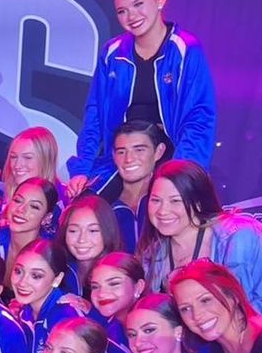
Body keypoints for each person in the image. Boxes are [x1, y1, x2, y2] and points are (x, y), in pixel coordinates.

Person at [67, 0, 216, 197]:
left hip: (171, 155)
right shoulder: (112, 53)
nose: (131, 16)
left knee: (163, 207)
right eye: (122, 11)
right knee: (84, 207)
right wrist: (83, 168)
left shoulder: (185, 49)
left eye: (138, 4)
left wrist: (181, 173)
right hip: (122, 155)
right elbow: (95, 113)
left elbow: (199, 117)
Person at [139, 160, 262, 307]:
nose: (163, 211)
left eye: (175, 201)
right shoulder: (151, 256)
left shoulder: (239, 236)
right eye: (156, 200)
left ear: (198, 202)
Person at [11, 239, 81, 353]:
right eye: (18, 271)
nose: (22, 282)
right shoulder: (25, 312)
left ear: (57, 279)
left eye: (36, 276)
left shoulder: (65, 318)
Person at [108, 121, 168, 252]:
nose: (129, 159)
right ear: (113, 155)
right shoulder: (104, 203)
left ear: (159, 151)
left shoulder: (171, 202)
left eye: (139, 150)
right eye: (121, 152)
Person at [89, 252, 145, 353]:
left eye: (114, 283)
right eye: (95, 287)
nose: (101, 293)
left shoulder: (160, 322)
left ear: (138, 287)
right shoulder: (104, 333)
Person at [0, 178, 59, 285]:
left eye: (34, 206)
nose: (21, 209)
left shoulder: (50, 254)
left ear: (46, 218)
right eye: (17, 200)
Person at [56, 194, 122, 296]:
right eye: (73, 231)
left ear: (107, 231)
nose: (82, 240)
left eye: (93, 231)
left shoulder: (119, 274)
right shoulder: (58, 269)